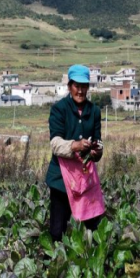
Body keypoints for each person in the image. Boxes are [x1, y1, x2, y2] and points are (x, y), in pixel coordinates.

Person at [46, 64, 105, 241]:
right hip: (61, 180)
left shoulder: (94, 111)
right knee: (57, 230)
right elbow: (55, 144)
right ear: (69, 86)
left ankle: (91, 263)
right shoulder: (59, 109)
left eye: (84, 86)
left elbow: (99, 142)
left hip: (86, 178)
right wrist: (75, 145)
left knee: (93, 227)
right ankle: (55, 264)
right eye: (76, 86)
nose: (80, 91)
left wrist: (97, 152)